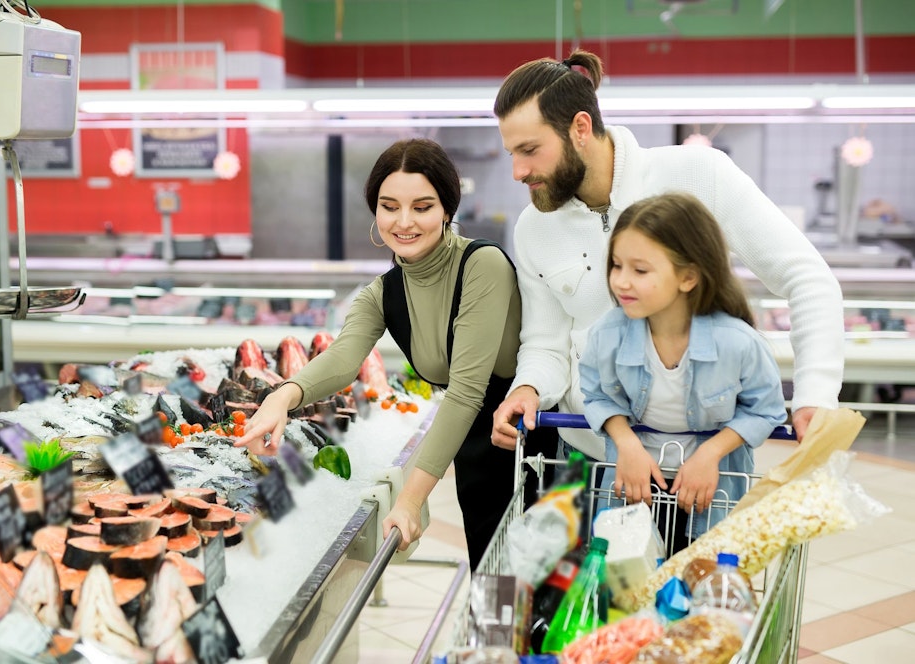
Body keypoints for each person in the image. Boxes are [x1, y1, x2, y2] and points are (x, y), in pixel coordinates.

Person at [490, 48, 843, 460]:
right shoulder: (535, 227)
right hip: (589, 456)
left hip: (706, 463)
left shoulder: (698, 174)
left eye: (530, 150)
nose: (518, 171)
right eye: (512, 153)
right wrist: (528, 388)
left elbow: (808, 279)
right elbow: (545, 343)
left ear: (580, 128)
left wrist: (815, 394)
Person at [234, 138, 557, 568]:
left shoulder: (482, 265)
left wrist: (409, 500)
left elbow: (465, 390)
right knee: (496, 583)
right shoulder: (382, 294)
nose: (404, 222)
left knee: (550, 586)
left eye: (422, 207)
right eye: (389, 207)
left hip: (536, 441)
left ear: (447, 209)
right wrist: (282, 397)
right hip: (474, 450)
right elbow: (342, 360)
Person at [579, 192, 787, 550]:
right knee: (629, 574)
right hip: (632, 481)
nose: (621, 281)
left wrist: (710, 453)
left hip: (711, 488)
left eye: (640, 270)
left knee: (701, 574)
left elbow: (766, 409)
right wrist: (626, 444)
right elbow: (597, 395)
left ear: (688, 277)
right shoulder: (608, 334)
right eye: (616, 265)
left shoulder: (737, 343)